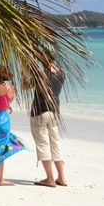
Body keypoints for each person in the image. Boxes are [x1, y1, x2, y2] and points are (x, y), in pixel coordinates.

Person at [27, 56, 67, 187]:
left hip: (40, 111)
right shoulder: (61, 73)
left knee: (43, 144)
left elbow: (25, 86)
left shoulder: (41, 74)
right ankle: (62, 177)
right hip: (54, 111)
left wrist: (25, 71)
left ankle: (50, 178)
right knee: (55, 143)